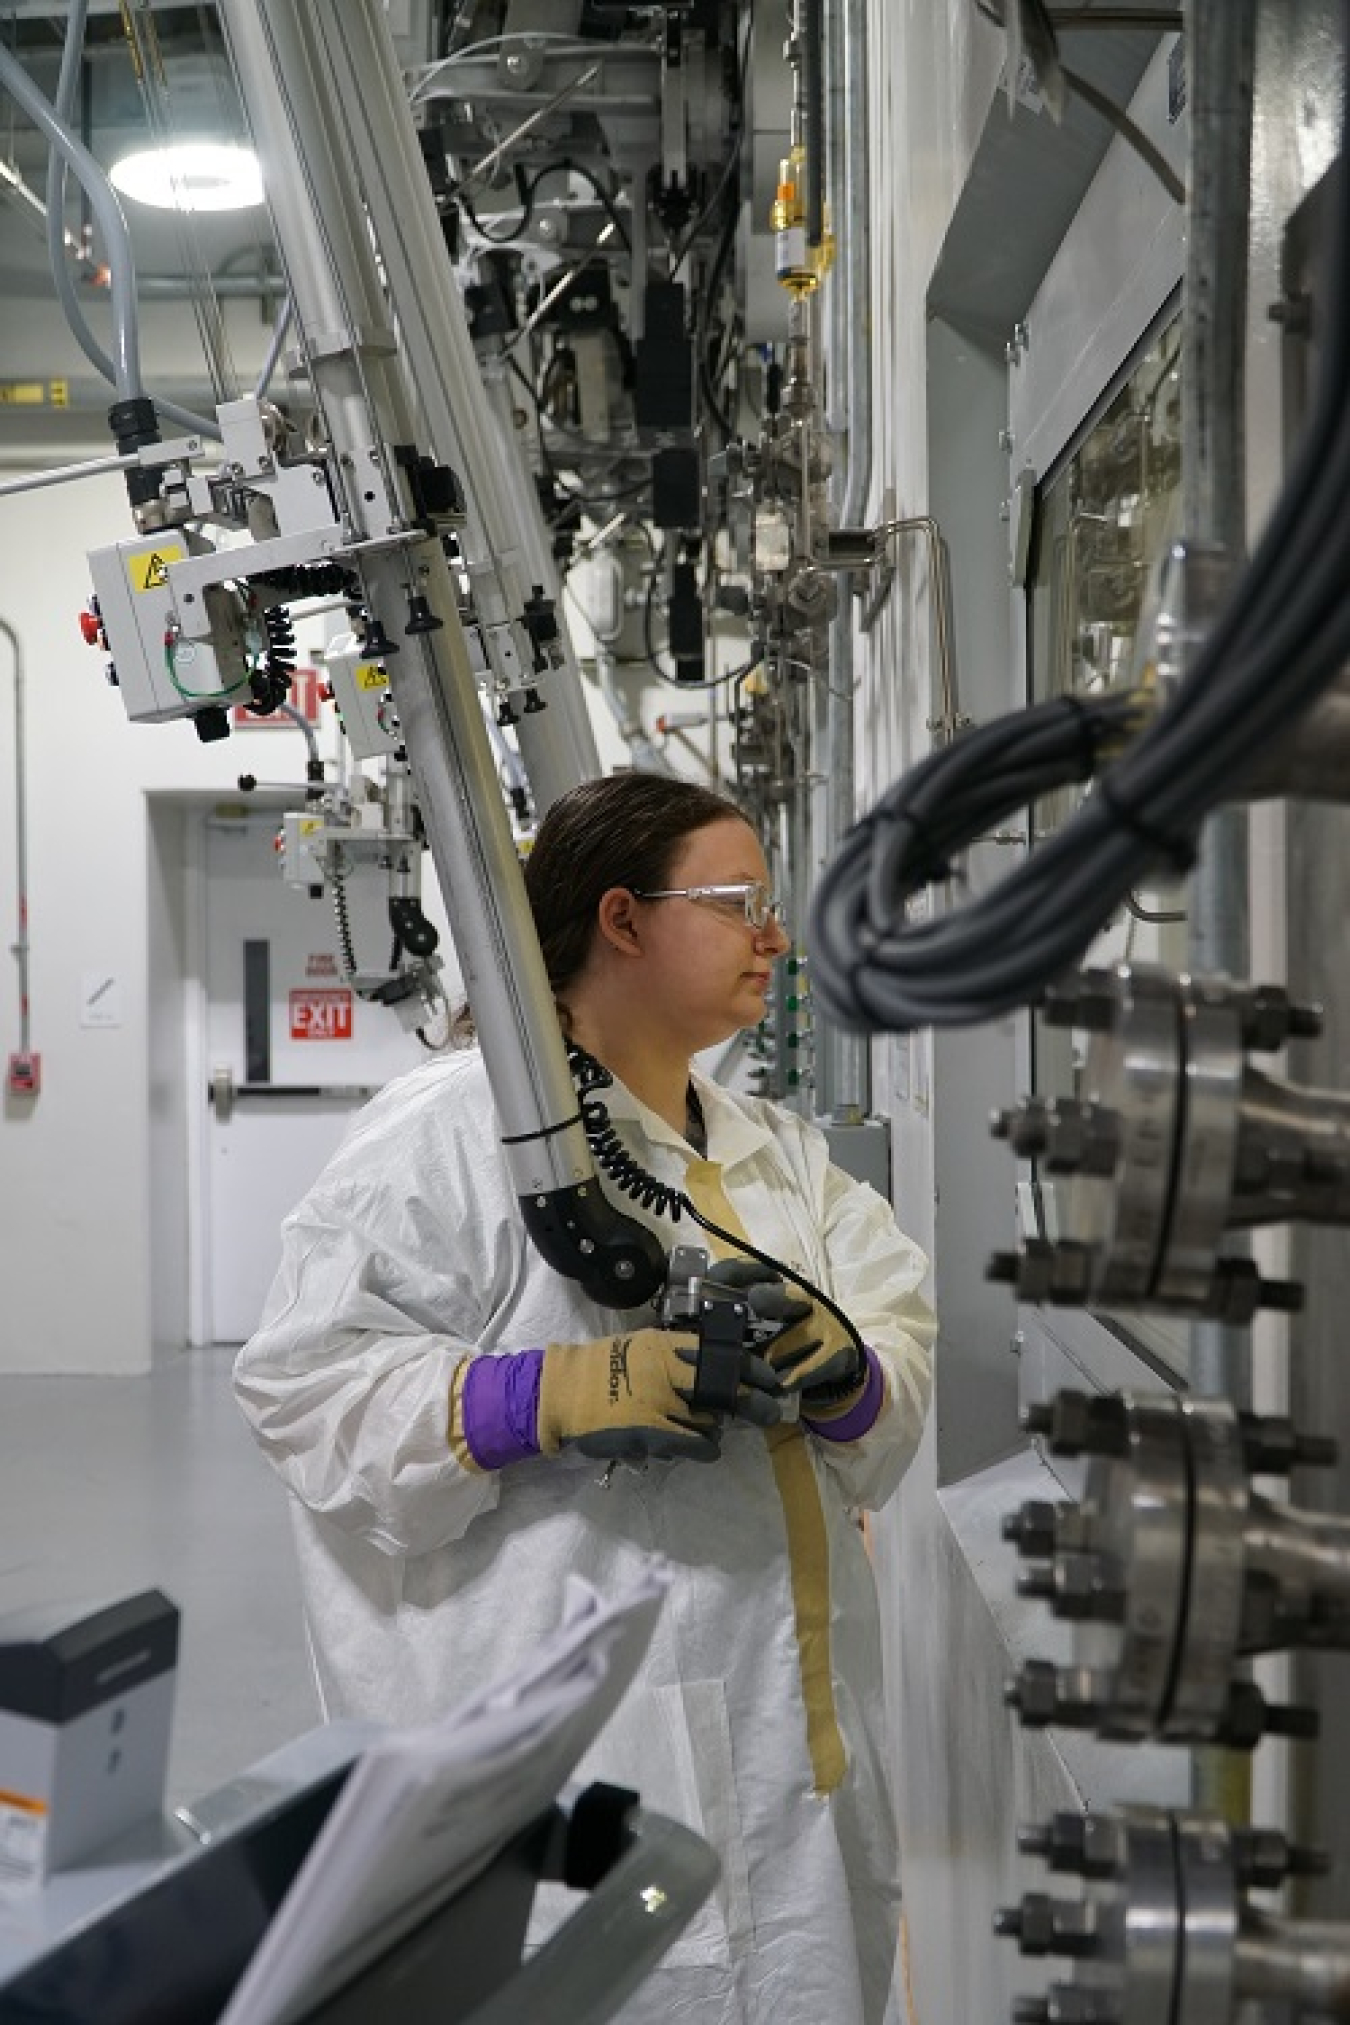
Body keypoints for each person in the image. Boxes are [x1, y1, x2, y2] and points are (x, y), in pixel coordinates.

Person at [234, 771, 935, 2025]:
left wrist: (844, 1373)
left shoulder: (773, 1149)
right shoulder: (449, 1138)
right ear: (621, 920)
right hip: (594, 1779)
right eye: (737, 903)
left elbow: (896, 1333)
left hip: (805, 1754)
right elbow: (302, 1384)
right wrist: (555, 1392)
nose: (774, 937)